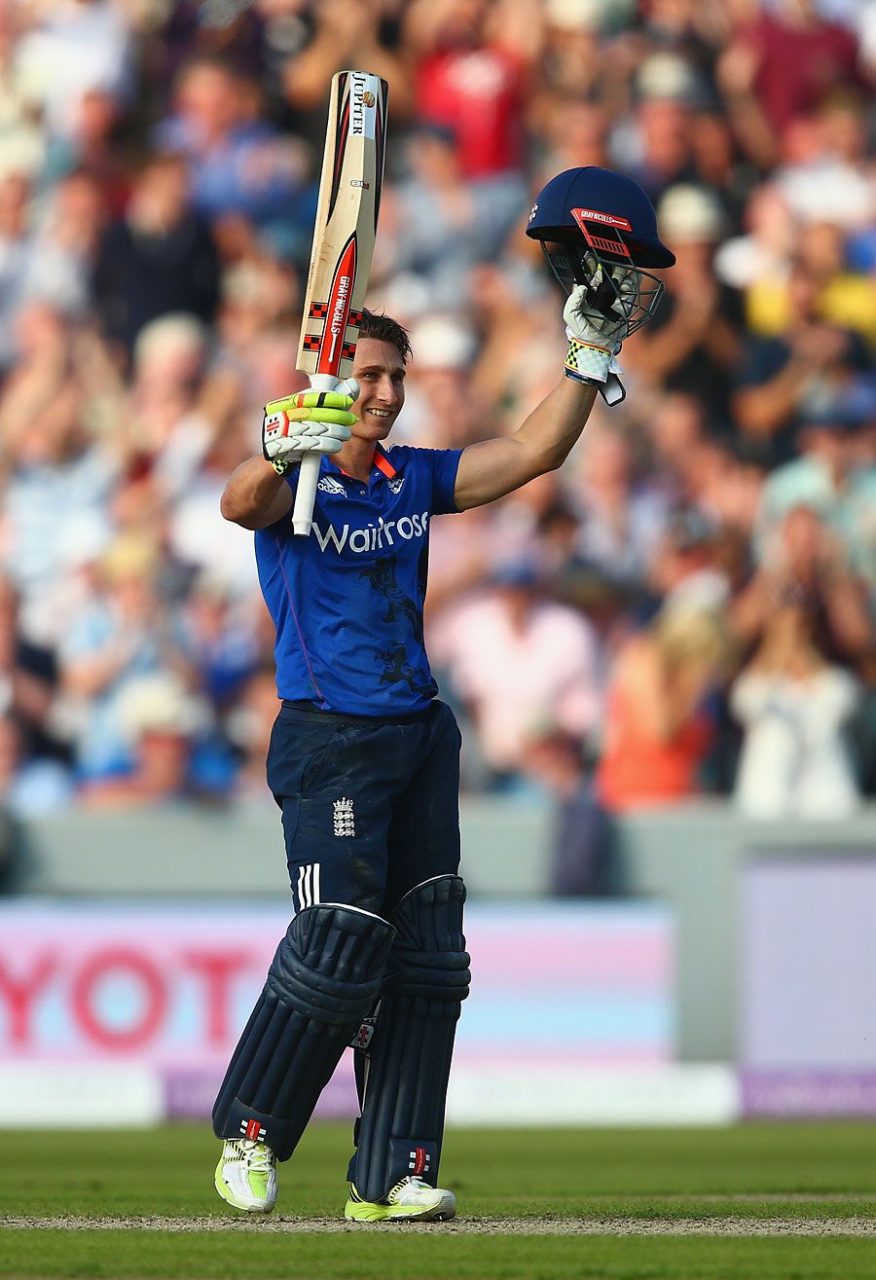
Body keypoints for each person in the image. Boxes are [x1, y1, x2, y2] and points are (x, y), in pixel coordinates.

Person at [211, 166, 674, 1223]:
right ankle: (248, 1134)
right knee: (339, 934)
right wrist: (286, 437)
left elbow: (530, 453)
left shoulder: (407, 475)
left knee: (427, 954)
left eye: (393, 378)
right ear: (331, 376)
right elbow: (238, 499)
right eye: (366, 375)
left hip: (420, 732)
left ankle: (393, 1171)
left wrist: (588, 356)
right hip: (329, 736)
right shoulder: (300, 476)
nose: (381, 392)